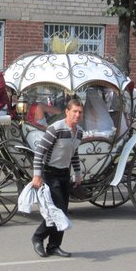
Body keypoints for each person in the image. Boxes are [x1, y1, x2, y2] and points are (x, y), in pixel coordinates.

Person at [30, 99, 84, 258]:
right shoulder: (56, 129)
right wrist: (37, 175)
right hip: (50, 173)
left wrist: (78, 173)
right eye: (74, 111)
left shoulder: (79, 132)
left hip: (64, 174)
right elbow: (40, 152)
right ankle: (38, 237)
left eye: (80, 112)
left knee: (63, 212)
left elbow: (73, 153)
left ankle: (54, 246)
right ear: (67, 112)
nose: (77, 115)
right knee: (58, 211)